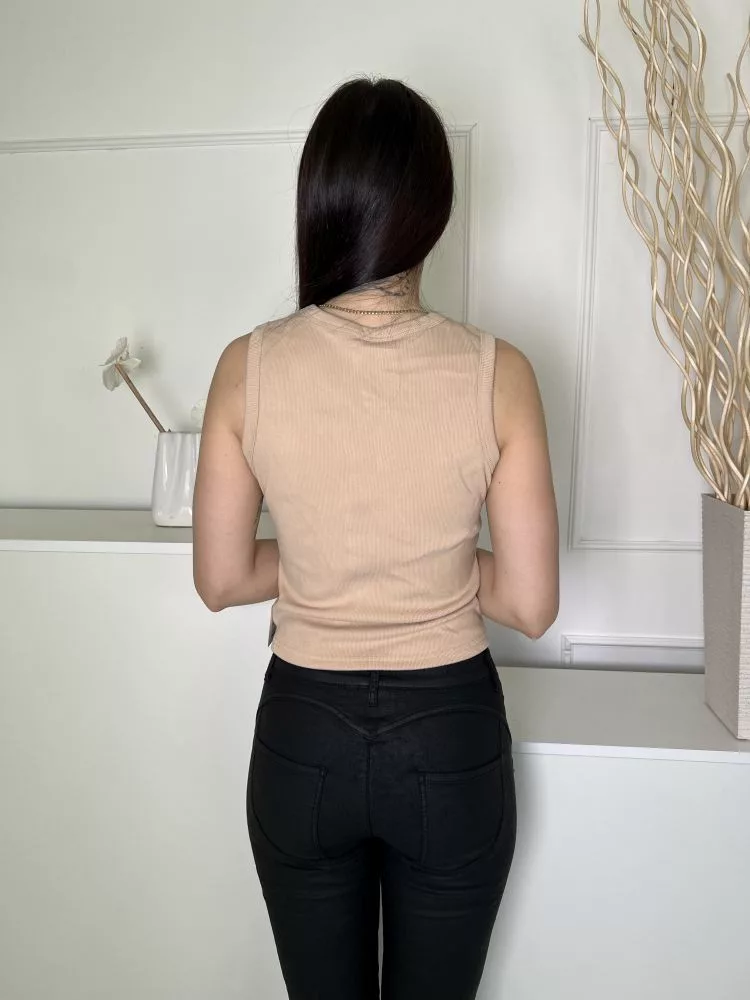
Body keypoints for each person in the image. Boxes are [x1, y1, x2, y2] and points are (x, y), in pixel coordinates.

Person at [192, 76, 559, 1000]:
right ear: (433, 212)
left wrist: (330, 560)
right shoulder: (499, 373)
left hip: (302, 737)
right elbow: (528, 603)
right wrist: (431, 564)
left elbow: (221, 578)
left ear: (319, 203)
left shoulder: (246, 368)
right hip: (449, 742)